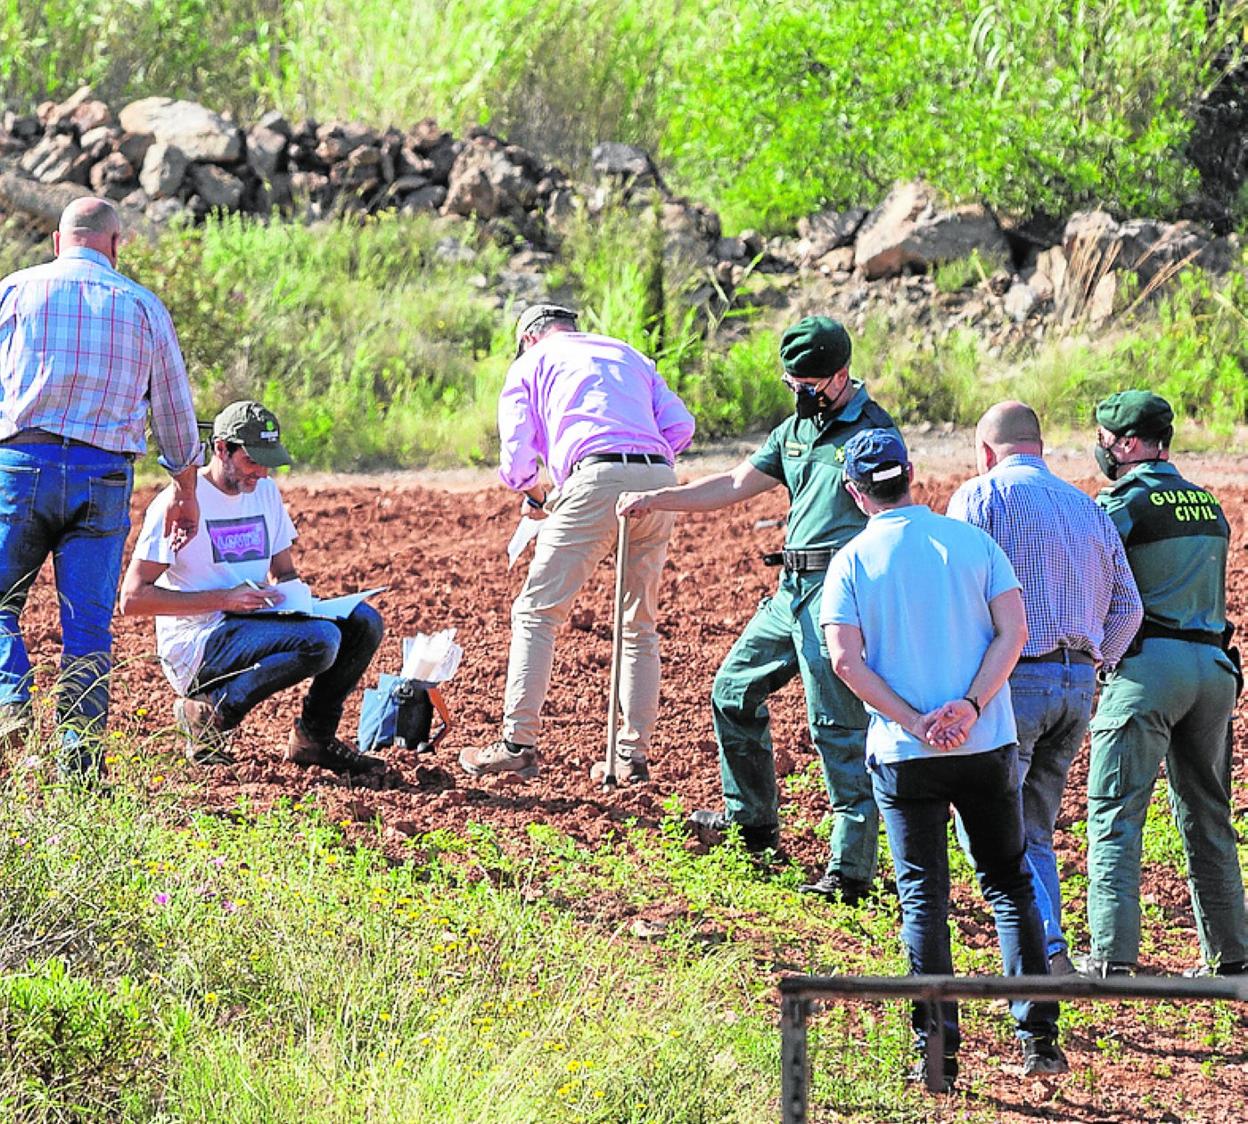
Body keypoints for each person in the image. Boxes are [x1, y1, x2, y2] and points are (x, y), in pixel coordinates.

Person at [820, 428, 1066, 1089]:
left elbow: (845, 660)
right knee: (1010, 886)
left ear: (854, 491)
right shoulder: (971, 542)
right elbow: (1015, 630)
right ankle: (1038, 1041)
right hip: (985, 744)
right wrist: (972, 705)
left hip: (905, 755)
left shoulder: (851, 561)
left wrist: (914, 722)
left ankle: (937, 1060)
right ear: (911, 475)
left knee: (923, 897)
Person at [618, 316, 891, 904]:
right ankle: (753, 828)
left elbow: (891, 511)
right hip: (789, 589)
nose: (801, 393)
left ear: (841, 375)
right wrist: (657, 498)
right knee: (732, 690)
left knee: (837, 728)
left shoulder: (871, 431)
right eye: (793, 382)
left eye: (812, 383)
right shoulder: (795, 429)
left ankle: (852, 872)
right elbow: (735, 482)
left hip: (838, 593)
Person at [0, 197, 201, 778]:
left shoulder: (16, 290)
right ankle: (79, 761)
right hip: (104, 476)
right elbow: (173, 411)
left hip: (22, 465)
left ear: (58, 243)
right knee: (87, 625)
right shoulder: (142, 306)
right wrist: (186, 488)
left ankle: (10, 699)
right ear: (116, 245)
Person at [946, 401, 1142, 975]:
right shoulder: (1088, 507)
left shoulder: (979, 498)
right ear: (1040, 447)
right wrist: (1092, 663)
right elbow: (1128, 607)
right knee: (1035, 825)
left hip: (1014, 680)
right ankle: (1049, 950)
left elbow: (956, 590)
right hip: (1076, 684)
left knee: (988, 823)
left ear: (986, 453)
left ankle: (1036, 950)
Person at [459, 304, 694, 782]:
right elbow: (680, 427)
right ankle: (632, 756)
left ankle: (517, 744)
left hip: (593, 477)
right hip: (658, 480)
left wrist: (537, 494)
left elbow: (517, 455)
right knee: (639, 622)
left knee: (537, 613)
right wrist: (643, 467)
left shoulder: (530, 363)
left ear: (528, 338)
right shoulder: (626, 353)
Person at [119, 401, 385, 774]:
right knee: (321, 640)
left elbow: (284, 572)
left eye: (266, 463)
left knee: (364, 623)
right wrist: (224, 599)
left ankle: (314, 738)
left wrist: (304, 603)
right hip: (199, 640)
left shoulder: (265, 492)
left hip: (252, 622)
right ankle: (208, 712)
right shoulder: (180, 503)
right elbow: (132, 599)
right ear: (222, 448)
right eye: (251, 461)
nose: (260, 472)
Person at [1080, 390, 1246, 977]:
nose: (1100, 450)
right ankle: (1233, 958)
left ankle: (1112, 957)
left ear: (1125, 444)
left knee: (1115, 815)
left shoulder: (1123, 503)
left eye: (1103, 440)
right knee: (1209, 816)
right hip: (1213, 673)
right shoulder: (1209, 504)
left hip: (1150, 671)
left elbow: (1091, 578)